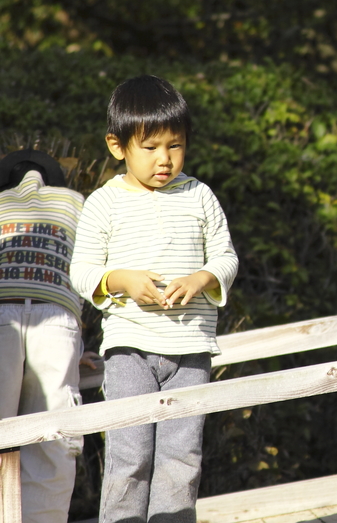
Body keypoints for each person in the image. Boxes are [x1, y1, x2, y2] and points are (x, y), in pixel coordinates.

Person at [70, 75, 238, 523]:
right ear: (117, 145)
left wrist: (203, 278)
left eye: (175, 145)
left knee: (182, 458)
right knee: (130, 455)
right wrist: (121, 280)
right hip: (129, 350)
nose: (165, 159)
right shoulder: (103, 203)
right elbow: (82, 271)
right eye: (151, 147)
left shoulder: (199, 195)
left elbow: (226, 256)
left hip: (192, 352)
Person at [0, 149, 85, 523]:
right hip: (57, 318)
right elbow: (90, 266)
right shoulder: (75, 202)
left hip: (1, 312)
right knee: (52, 438)